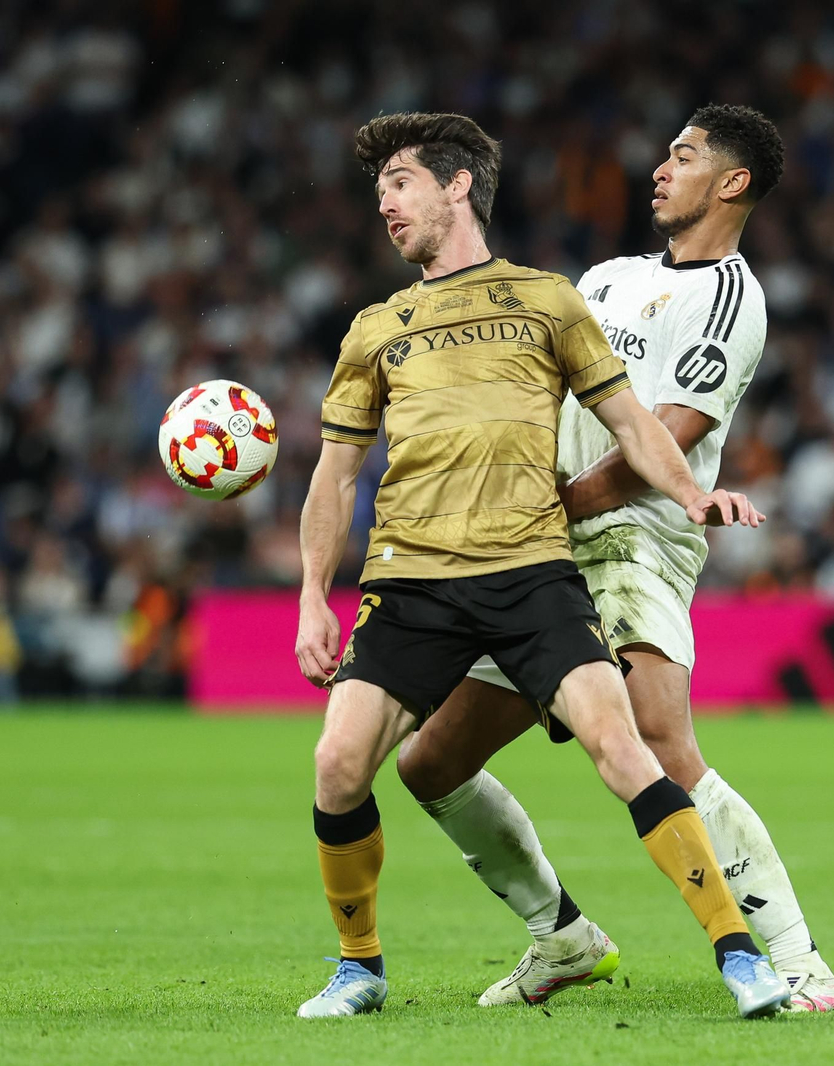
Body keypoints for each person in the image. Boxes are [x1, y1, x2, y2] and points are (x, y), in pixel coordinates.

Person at [294, 112, 787, 1020]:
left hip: (530, 571)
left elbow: (633, 420)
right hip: (410, 581)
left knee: (624, 747)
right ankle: (361, 967)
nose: (385, 205)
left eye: (400, 183)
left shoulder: (548, 301)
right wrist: (311, 598)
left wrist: (690, 494)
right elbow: (333, 476)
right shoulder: (375, 327)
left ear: (456, 186)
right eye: (379, 191)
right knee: (339, 764)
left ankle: (742, 955)